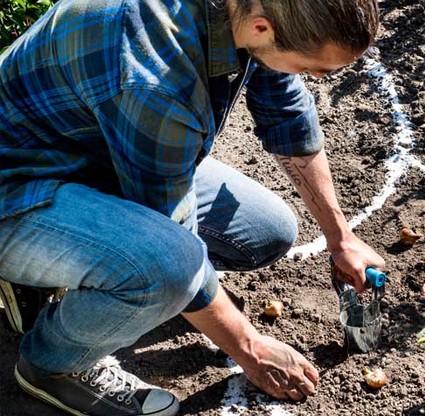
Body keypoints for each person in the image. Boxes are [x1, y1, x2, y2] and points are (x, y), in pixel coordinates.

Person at [0, 0, 385, 414]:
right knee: (169, 268)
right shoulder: (155, 76)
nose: (313, 78)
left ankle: (63, 269)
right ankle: (53, 367)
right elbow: (176, 244)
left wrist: (340, 236)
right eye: (313, 68)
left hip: (95, 153)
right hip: (17, 190)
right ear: (262, 29)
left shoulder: (250, 13)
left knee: (265, 232)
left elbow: (287, 115)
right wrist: (249, 347)